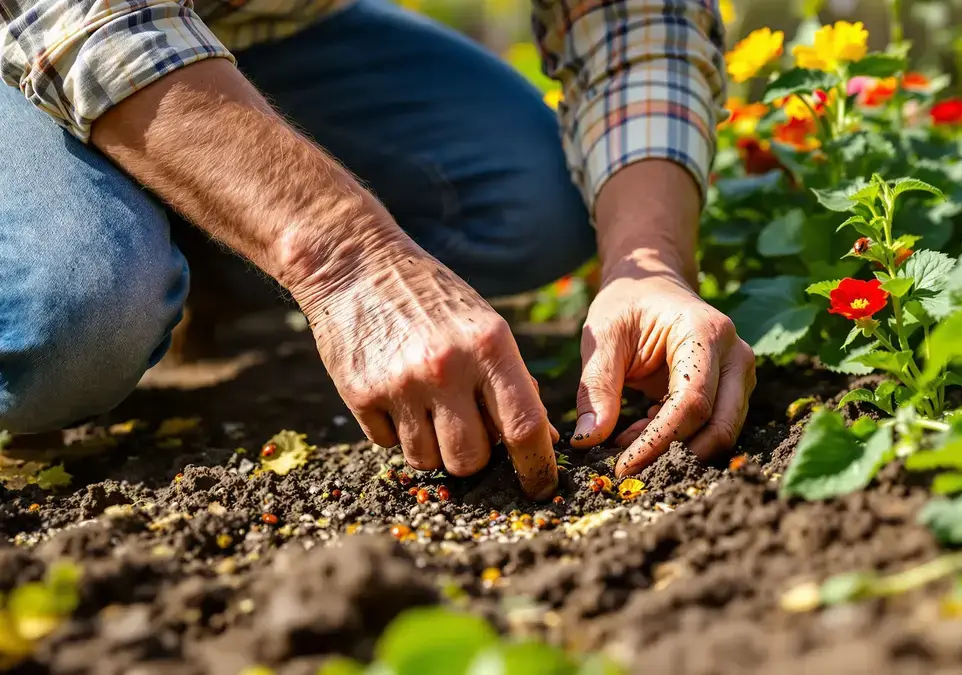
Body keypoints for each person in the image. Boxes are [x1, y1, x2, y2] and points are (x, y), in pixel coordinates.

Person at [0, 0, 756, 499]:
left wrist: (647, 263)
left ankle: (201, 226)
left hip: (253, 28)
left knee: (533, 199)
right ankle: (152, 233)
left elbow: (633, 18)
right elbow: (81, 20)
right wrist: (347, 259)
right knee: (75, 311)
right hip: (40, 30)